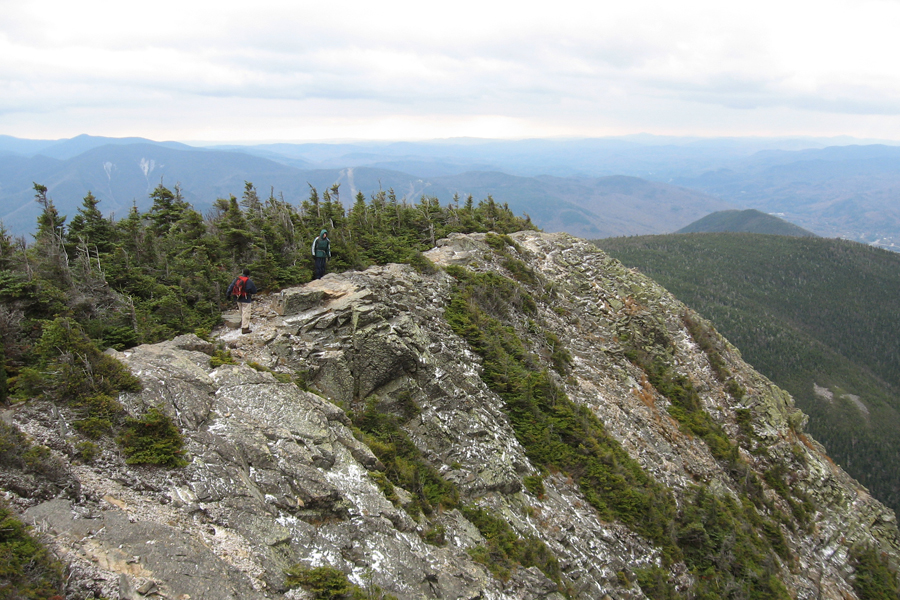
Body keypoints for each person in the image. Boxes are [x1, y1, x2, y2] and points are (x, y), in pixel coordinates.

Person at [226, 268, 258, 334]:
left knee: (241, 312)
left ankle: (242, 324)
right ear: (248, 274)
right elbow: (254, 291)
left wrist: (228, 295)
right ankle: (245, 328)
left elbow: (231, 287)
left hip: (237, 298)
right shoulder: (248, 281)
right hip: (246, 299)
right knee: (246, 313)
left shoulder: (237, 279)